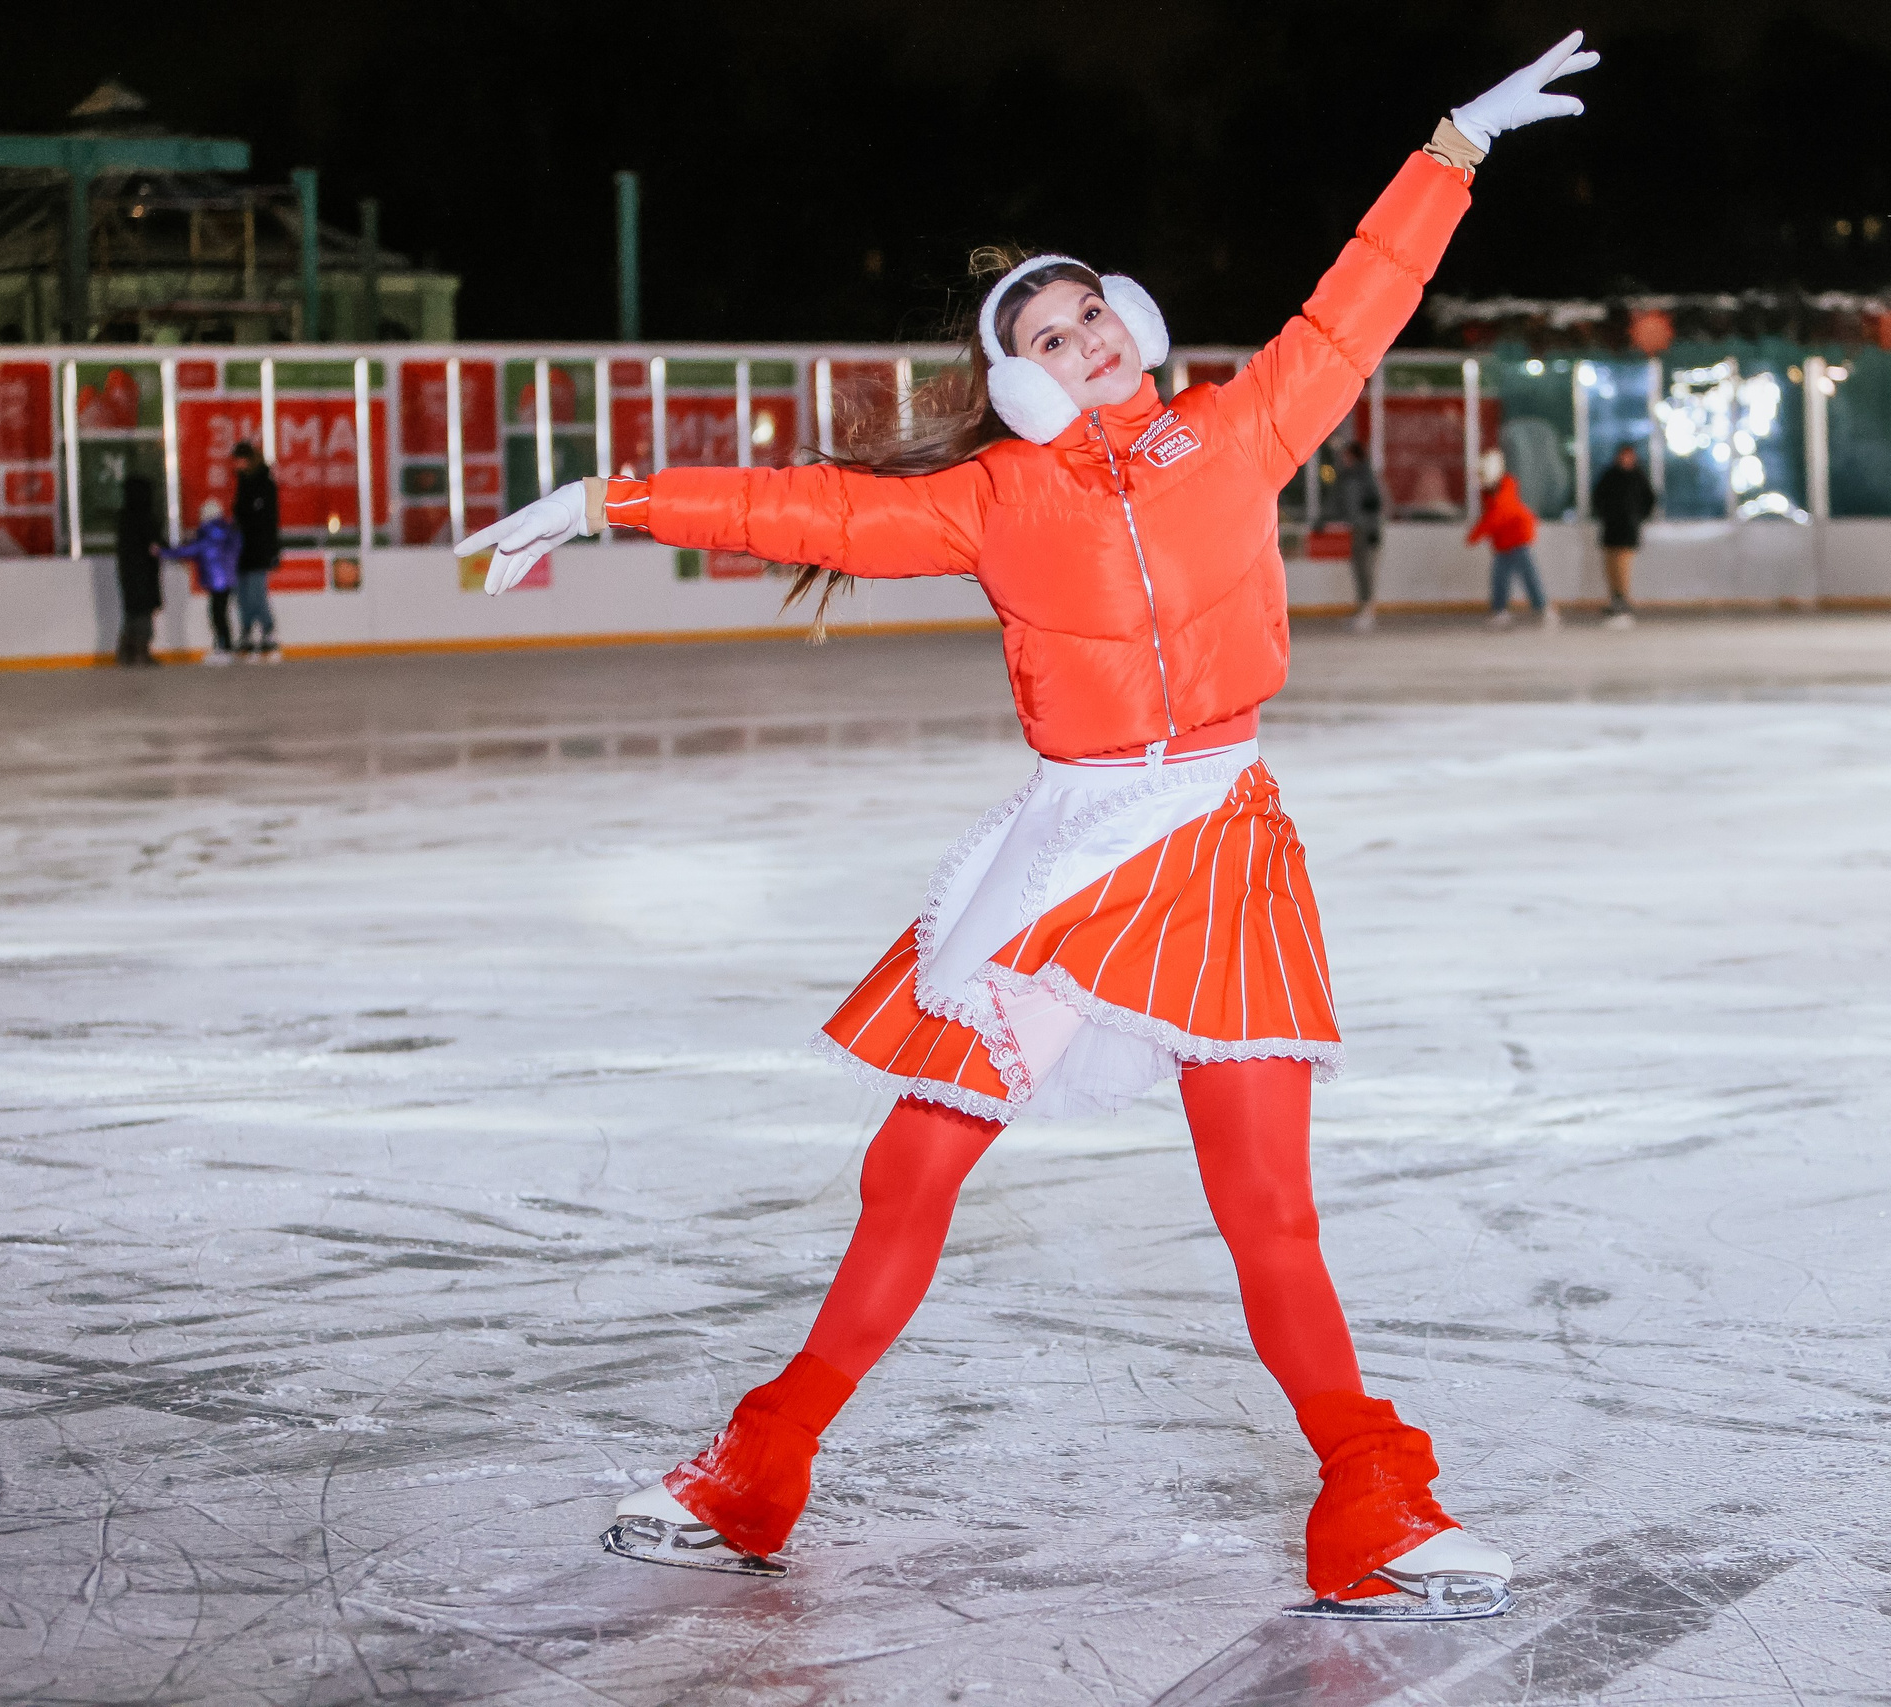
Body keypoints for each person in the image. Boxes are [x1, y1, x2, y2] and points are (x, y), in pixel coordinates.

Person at [460, 32, 1599, 1621]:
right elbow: (812, 509)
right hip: (1070, 856)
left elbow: (1358, 304)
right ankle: (755, 1465)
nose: (1086, 346)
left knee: (1268, 1201)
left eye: (1093, 318)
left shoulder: (1241, 427)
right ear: (1017, 378)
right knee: (912, 1164)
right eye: (1048, 340)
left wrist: (1453, 148)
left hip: (1221, 840)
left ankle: (1373, 1499)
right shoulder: (993, 501)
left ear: (1133, 321)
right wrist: (606, 502)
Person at [1467, 447, 1551, 630]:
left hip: (1519, 539)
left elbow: (1496, 516)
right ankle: (1500, 611)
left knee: (1529, 575)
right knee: (1499, 577)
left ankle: (1543, 609)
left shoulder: (1506, 487)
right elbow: (1492, 517)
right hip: (1503, 542)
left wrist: (1474, 535)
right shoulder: (1489, 493)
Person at [160, 497, 241, 663]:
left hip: (218, 580)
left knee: (217, 614)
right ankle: (224, 646)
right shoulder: (227, 530)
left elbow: (192, 550)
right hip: (226, 579)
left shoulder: (210, 533)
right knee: (220, 613)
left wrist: (164, 552)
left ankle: (224, 647)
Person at [1323, 419, 1385, 631]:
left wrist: (1374, 530)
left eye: (1347, 455)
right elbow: (1336, 504)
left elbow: (1377, 504)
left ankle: (1369, 609)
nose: (1343, 458)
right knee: (1357, 570)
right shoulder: (1345, 478)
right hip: (1354, 530)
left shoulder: (1366, 478)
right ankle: (1362, 607)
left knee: (1367, 570)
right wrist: (1323, 521)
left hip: (1367, 531)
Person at [1589, 441, 1654, 628]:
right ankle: (1614, 599)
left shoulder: (1638, 477)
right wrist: (1604, 513)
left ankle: (1622, 600)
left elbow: (1649, 499)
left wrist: (1639, 516)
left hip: (1628, 529)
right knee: (1610, 566)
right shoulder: (1610, 475)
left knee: (1623, 566)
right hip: (1611, 528)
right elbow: (1598, 496)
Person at [229, 442, 281, 661]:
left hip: (259, 548)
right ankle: (247, 632)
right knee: (242, 595)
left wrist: (270, 549)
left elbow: (266, 520)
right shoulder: (242, 482)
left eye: (239, 459)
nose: (236, 464)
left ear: (248, 459)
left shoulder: (264, 484)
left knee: (256, 593)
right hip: (242, 548)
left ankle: (268, 631)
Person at [113, 475, 162, 666]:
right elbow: (154, 544)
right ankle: (140, 652)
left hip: (129, 573)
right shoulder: (144, 517)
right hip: (143, 573)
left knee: (132, 612)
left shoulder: (125, 517)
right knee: (142, 613)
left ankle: (126, 653)